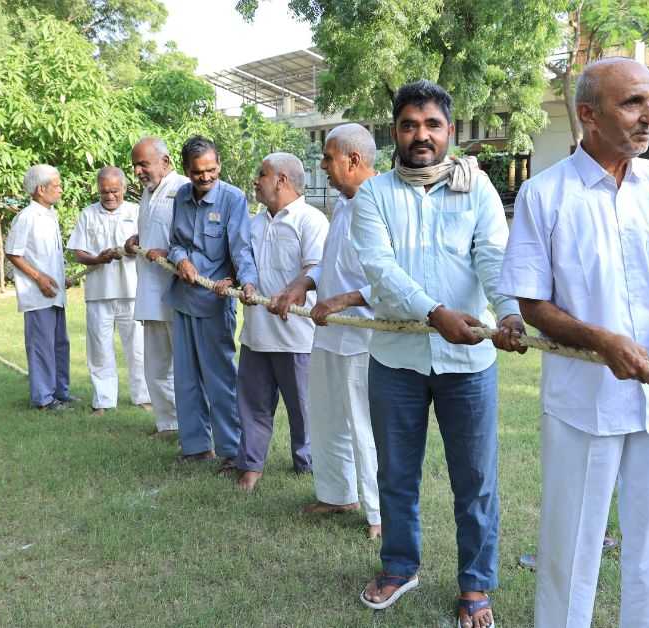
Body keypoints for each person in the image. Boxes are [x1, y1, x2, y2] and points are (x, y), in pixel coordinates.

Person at [498, 58, 649, 628]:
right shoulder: (544, 195)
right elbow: (532, 303)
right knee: (571, 544)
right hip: (584, 403)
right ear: (587, 115)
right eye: (632, 103)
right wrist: (602, 341)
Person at [351, 80, 526, 628]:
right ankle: (400, 566)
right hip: (396, 359)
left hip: (469, 365)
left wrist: (510, 310)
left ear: (450, 130)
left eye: (431, 125)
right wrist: (435, 313)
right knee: (396, 474)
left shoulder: (476, 191)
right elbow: (380, 269)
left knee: (475, 480)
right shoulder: (374, 195)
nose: (420, 135)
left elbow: (494, 258)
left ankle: (476, 585)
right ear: (395, 133)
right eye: (409, 125)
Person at [268, 123, 382, 538]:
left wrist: (344, 300)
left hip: (362, 333)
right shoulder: (345, 203)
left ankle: (378, 513)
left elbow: (396, 278)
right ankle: (338, 494)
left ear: (353, 160)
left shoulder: (384, 202)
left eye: (329, 158)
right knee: (327, 417)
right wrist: (305, 283)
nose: (323, 166)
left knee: (362, 424)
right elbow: (331, 264)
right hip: (329, 331)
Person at [232, 153, 329, 491]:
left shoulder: (311, 220)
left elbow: (316, 268)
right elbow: (244, 264)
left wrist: (291, 292)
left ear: (282, 180)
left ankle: (310, 465)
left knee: (304, 408)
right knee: (252, 404)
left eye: (262, 174)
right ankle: (251, 465)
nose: (256, 180)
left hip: (298, 335)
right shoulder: (255, 222)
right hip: (257, 333)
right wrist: (244, 283)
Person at [159, 136, 258, 467]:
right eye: (198, 172)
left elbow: (242, 248)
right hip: (183, 298)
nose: (205, 177)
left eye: (212, 170)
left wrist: (247, 283)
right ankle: (197, 446)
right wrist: (181, 259)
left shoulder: (233, 199)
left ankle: (231, 451)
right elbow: (175, 242)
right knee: (186, 378)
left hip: (214, 304)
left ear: (219, 166)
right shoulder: (182, 196)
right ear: (186, 171)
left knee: (219, 380)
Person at [67, 166, 151, 416]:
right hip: (99, 293)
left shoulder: (137, 212)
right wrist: (97, 259)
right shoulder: (88, 214)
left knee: (137, 347)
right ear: (98, 190)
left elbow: (149, 245)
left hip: (133, 291)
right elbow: (78, 251)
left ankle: (143, 396)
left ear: (124, 188)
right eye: (104, 191)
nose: (110, 196)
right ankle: (103, 400)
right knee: (100, 347)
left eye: (115, 190)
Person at [126, 137, 190, 438]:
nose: (138, 171)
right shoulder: (148, 194)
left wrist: (169, 253)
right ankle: (168, 424)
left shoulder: (183, 190)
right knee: (156, 364)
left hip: (178, 292)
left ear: (165, 162)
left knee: (184, 366)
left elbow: (193, 238)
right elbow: (153, 229)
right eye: (136, 165)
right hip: (149, 292)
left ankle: (191, 425)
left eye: (144, 164)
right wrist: (136, 240)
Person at [5, 164, 77, 411]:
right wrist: (39, 278)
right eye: (56, 185)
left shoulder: (50, 214)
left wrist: (60, 277)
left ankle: (61, 392)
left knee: (59, 344)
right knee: (41, 346)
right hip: (38, 294)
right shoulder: (27, 217)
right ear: (40, 189)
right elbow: (13, 253)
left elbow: (48, 255)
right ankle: (44, 399)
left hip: (55, 292)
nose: (60, 190)